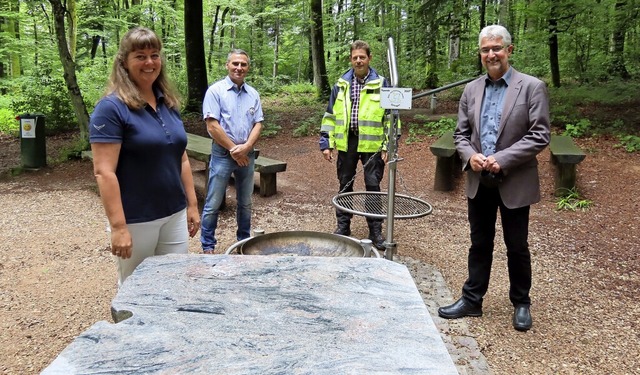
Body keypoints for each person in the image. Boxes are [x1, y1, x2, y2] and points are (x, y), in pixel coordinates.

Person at [437, 25, 551, 331]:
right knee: (479, 243)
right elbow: (460, 135)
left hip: (514, 179)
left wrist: (501, 159)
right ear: (480, 53)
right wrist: (469, 155)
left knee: (517, 245)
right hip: (479, 179)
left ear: (509, 50)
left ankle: (521, 303)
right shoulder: (471, 89)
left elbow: (540, 135)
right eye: (486, 49)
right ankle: (472, 300)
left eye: (497, 48)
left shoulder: (531, 87)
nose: (491, 54)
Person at [89, 27, 200, 286]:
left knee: (173, 284)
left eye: (155, 55)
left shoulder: (167, 102)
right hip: (137, 219)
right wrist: (118, 227)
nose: (149, 62)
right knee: (136, 291)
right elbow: (104, 172)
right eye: (140, 56)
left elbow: (181, 157)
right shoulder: (111, 108)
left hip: (174, 213)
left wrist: (192, 204)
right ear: (124, 63)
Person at [319, 40, 392, 251]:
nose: (358, 60)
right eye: (355, 57)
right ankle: (343, 227)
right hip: (347, 141)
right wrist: (326, 142)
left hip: (373, 143)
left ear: (369, 58)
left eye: (362, 57)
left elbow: (390, 117)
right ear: (351, 60)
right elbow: (330, 116)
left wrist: (388, 145)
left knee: (373, 187)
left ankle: (375, 231)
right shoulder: (341, 84)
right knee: (344, 184)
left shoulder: (382, 83)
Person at [200, 49, 263, 254]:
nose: (239, 68)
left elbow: (258, 124)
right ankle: (208, 245)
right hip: (222, 154)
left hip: (247, 154)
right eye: (235, 63)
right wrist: (234, 150)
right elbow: (212, 126)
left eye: (243, 64)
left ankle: (243, 242)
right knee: (213, 201)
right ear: (227, 65)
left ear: (248, 68)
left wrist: (246, 148)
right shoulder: (215, 91)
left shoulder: (253, 94)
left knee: (245, 202)